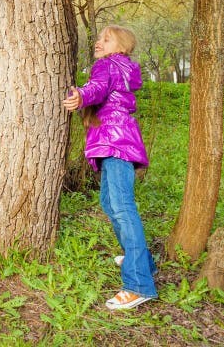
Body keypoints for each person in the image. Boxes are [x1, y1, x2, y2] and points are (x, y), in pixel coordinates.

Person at [62, 25, 157, 310]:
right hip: (120, 139)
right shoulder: (124, 67)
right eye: (99, 38)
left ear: (122, 46)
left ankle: (138, 284)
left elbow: (97, 87)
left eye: (107, 39)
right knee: (110, 202)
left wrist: (81, 95)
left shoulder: (107, 64)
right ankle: (142, 260)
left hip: (115, 141)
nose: (98, 42)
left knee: (122, 207)